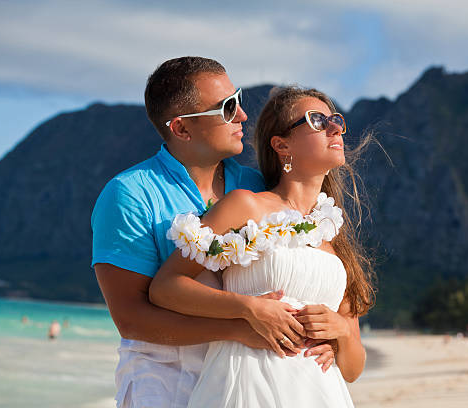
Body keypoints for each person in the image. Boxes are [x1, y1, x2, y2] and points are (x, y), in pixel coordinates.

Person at [91, 57, 337, 408]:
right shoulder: (129, 194)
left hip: (250, 381)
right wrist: (239, 326)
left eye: (237, 100)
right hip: (164, 383)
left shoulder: (255, 187)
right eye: (226, 108)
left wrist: (328, 336)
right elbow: (131, 320)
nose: (242, 116)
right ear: (181, 128)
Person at [150, 86, 375, 407]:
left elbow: (353, 370)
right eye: (317, 120)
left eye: (336, 120)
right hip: (246, 384)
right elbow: (165, 288)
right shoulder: (245, 206)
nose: (335, 128)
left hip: (320, 394)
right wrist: (248, 309)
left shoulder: (334, 233)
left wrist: (342, 332)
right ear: (282, 145)